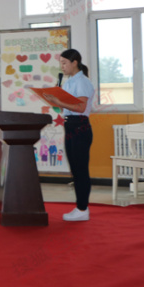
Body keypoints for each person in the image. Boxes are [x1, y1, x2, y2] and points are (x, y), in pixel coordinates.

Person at [43, 49, 95, 222]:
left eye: (64, 63)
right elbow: (64, 108)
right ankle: (80, 207)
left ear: (75, 63)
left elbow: (80, 108)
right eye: (61, 63)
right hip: (70, 125)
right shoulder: (69, 82)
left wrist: (58, 101)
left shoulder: (82, 82)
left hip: (80, 126)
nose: (62, 66)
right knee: (75, 170)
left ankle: (82, 209)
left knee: (80, 170)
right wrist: (54, 99)